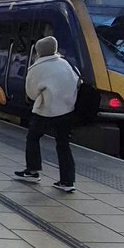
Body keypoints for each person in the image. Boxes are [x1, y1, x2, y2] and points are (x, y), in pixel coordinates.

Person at [14, 35, 78, 191]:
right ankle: (67, 182)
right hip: (67, 110)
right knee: (63, 145)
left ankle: (32, 171)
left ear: (39, 51)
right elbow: (76, 82)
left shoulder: (37, 68)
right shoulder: (65, 64)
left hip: (45, 110)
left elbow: (31, 93)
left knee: (33, 138)